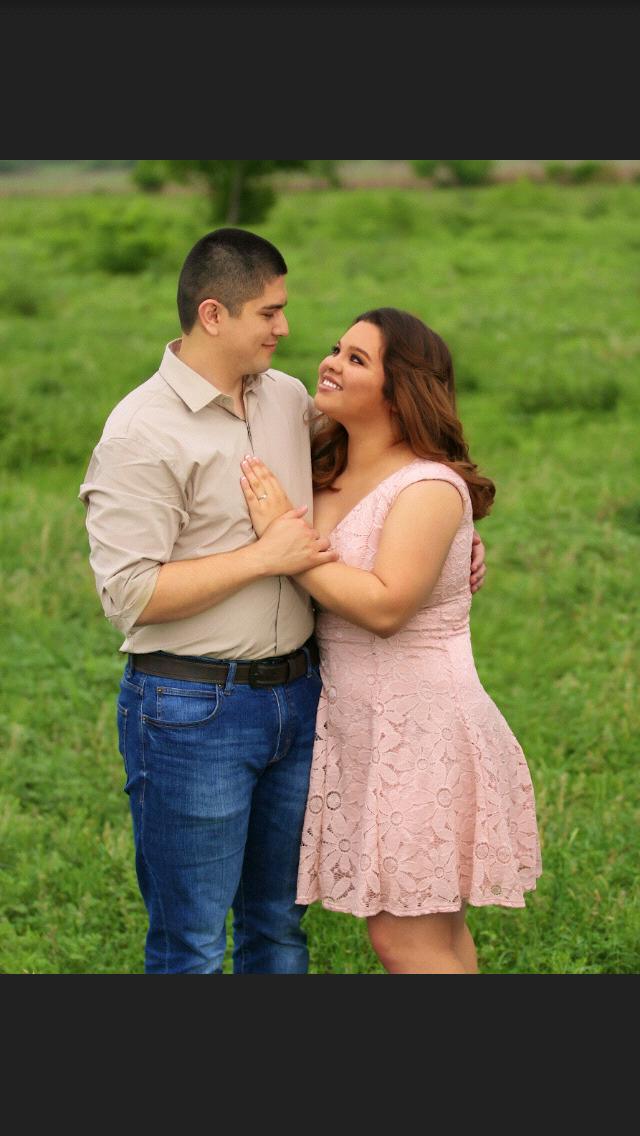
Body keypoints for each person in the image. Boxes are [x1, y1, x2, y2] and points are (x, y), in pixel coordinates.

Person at [78, 228, 486, 975]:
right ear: (213, 315)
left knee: (276, 931)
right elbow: (129, 595)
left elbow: (382, 463)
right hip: (192, 709)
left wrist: (448, 540)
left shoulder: (288, 400)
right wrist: (264, 556)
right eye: (269, 312)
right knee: (193, 946)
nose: (286, 328)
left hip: (300, 703)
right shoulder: (140, 432)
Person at [238, 307, 541, 975]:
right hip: (361, 727)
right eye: (336, 349)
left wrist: (284, 544)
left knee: (405, 940)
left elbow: (385, 607)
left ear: (401, 391)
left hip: (421, 729)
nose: (330, 363)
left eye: (356, 359)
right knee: (436, 933)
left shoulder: (427, 486)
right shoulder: (324, 466)